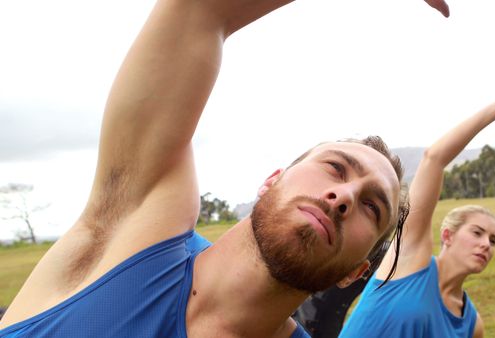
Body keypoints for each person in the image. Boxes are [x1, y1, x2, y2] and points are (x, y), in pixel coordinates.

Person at [0, 0, 461, 336]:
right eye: (336, 168)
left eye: (371, 207)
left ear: (356, 274)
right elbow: (196, 11)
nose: (344, 197)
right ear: (271, 181)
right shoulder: (133, 228)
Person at [338, 84, 495, 338]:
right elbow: (434, 159)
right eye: (477, 232)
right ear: (447, 236)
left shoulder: (473, 325)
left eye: (492, 240)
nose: (486, 244)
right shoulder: (410, 260)